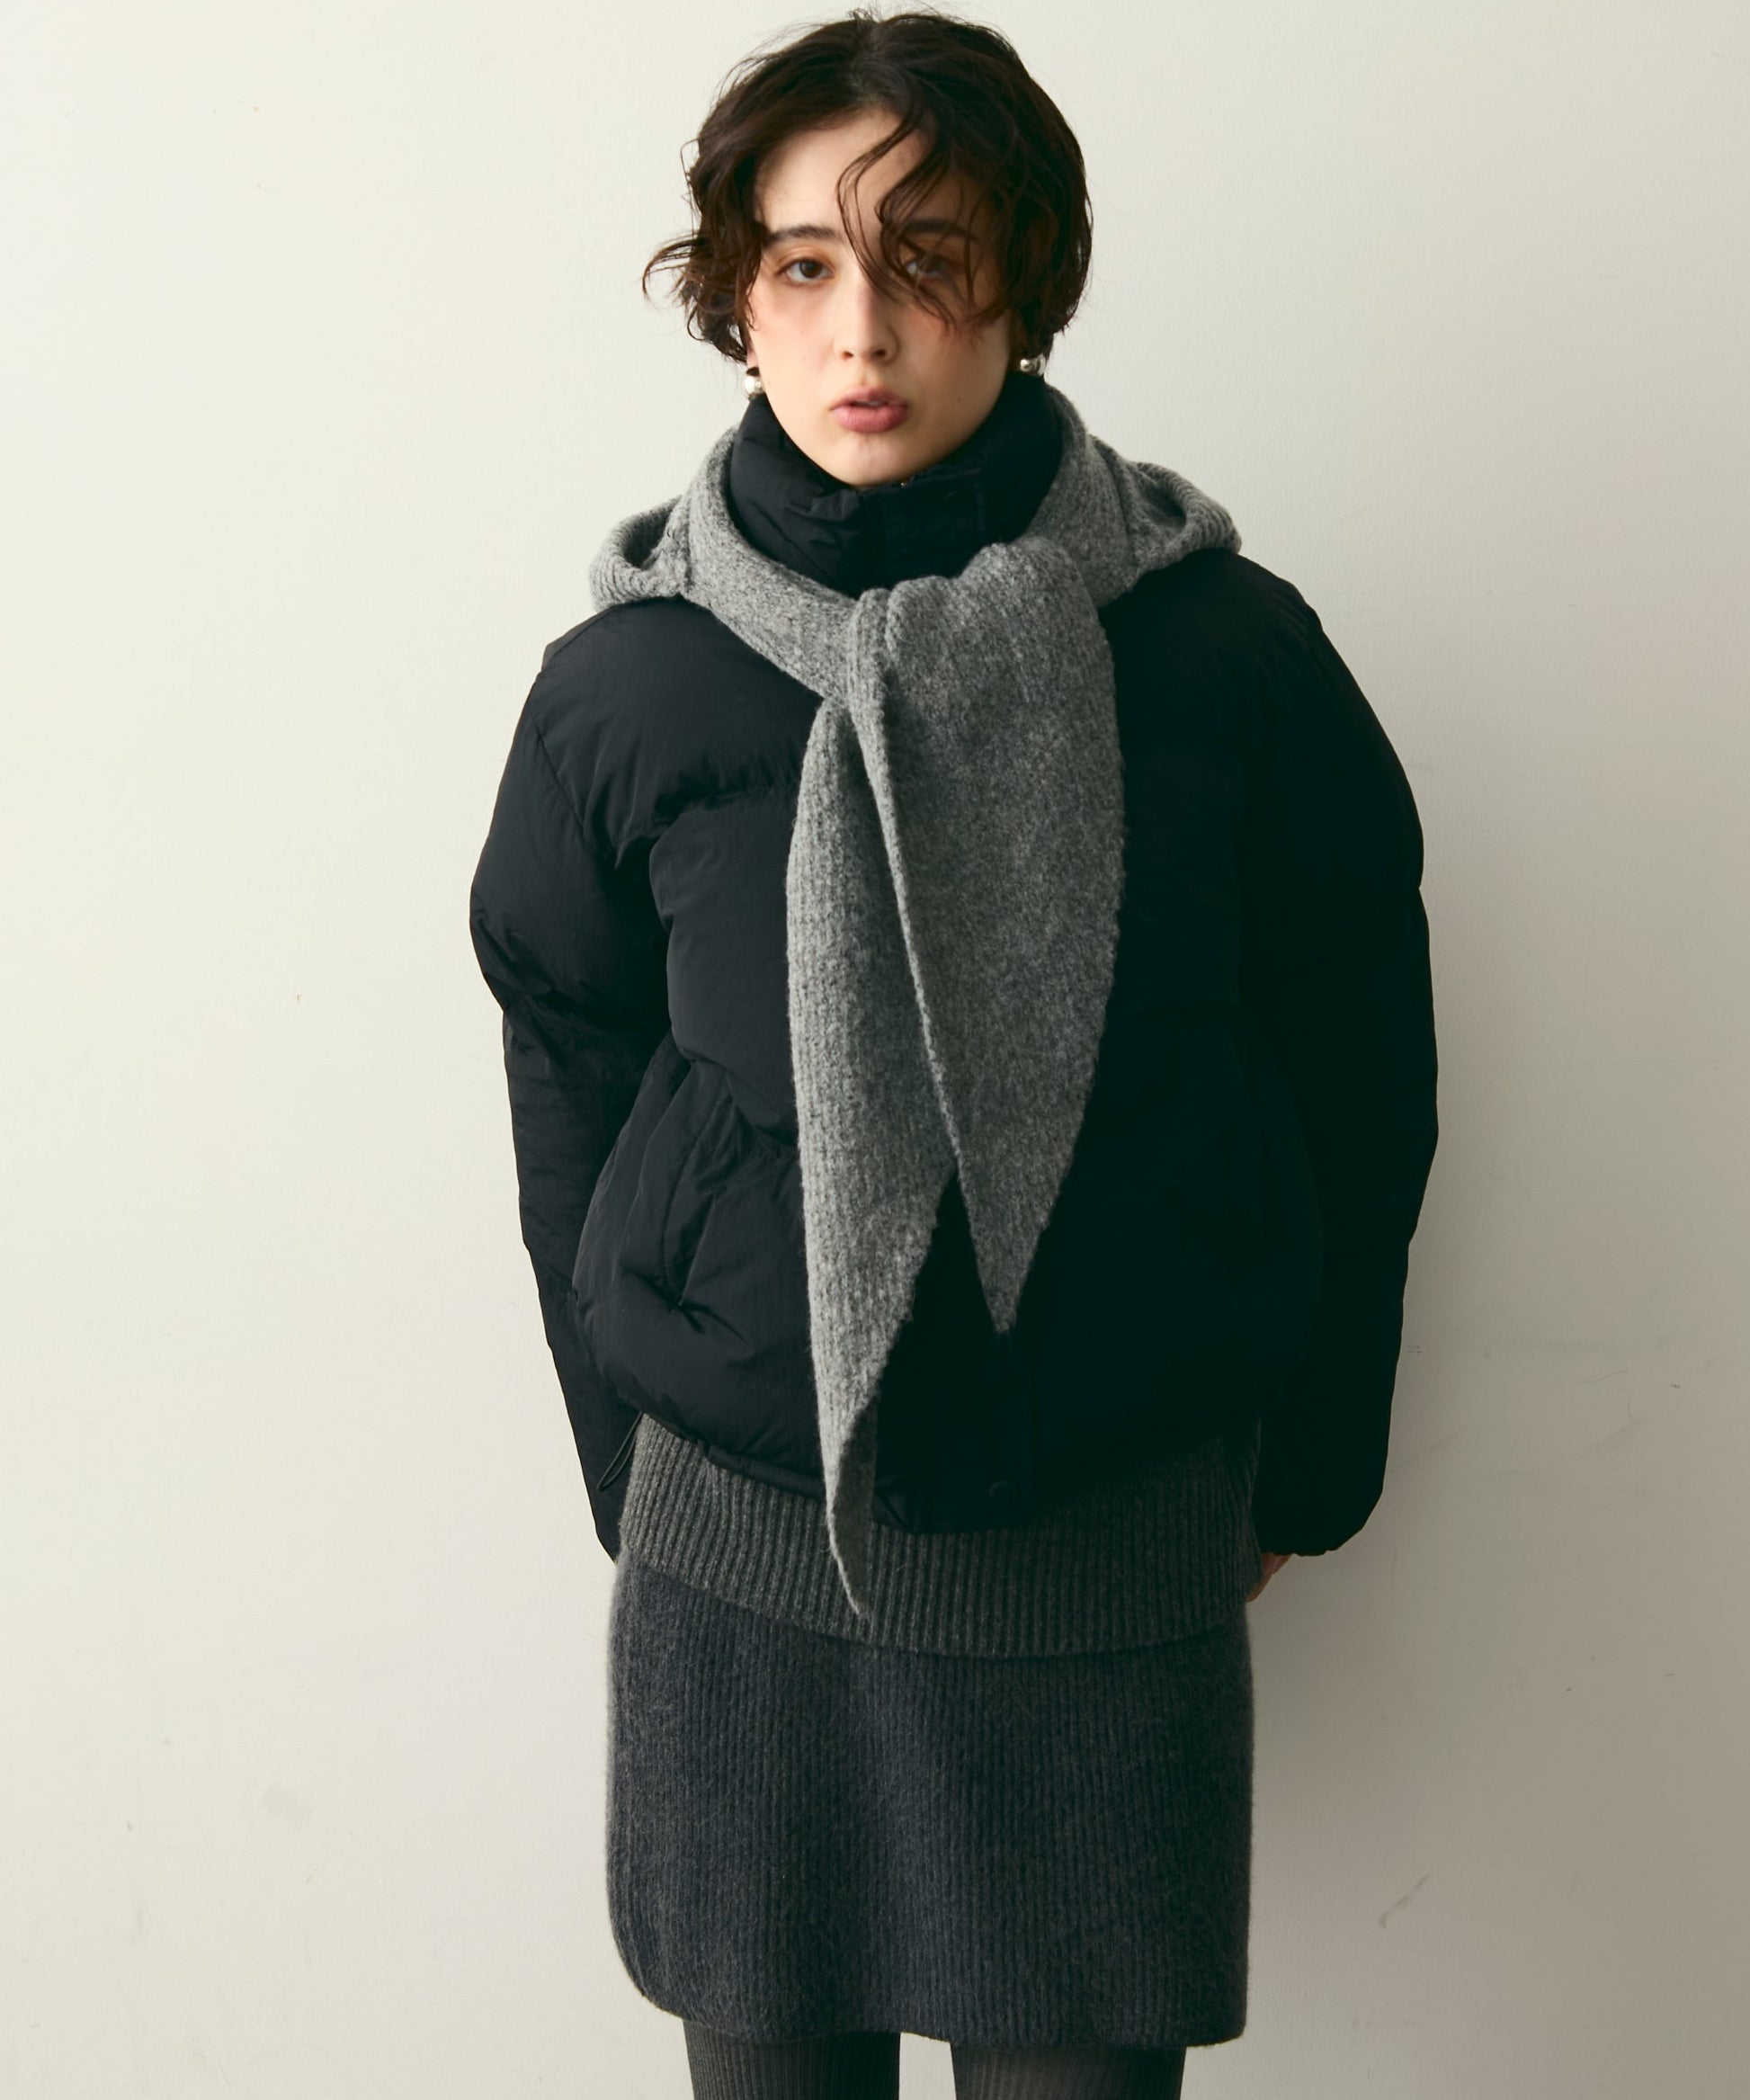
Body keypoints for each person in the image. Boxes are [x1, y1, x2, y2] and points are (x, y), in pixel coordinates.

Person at [468, 11, 1439, 2096]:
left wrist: (1314, 1460)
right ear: (733, 295)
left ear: (1030, 275)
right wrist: (619, 1452)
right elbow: (569, 1068)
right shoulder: (633, 685)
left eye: (930, 258)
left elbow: (1357, 1066)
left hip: (1114, 1524)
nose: (863, 329)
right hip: (743, 1544)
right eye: (804, 263)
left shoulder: (1224, 656)